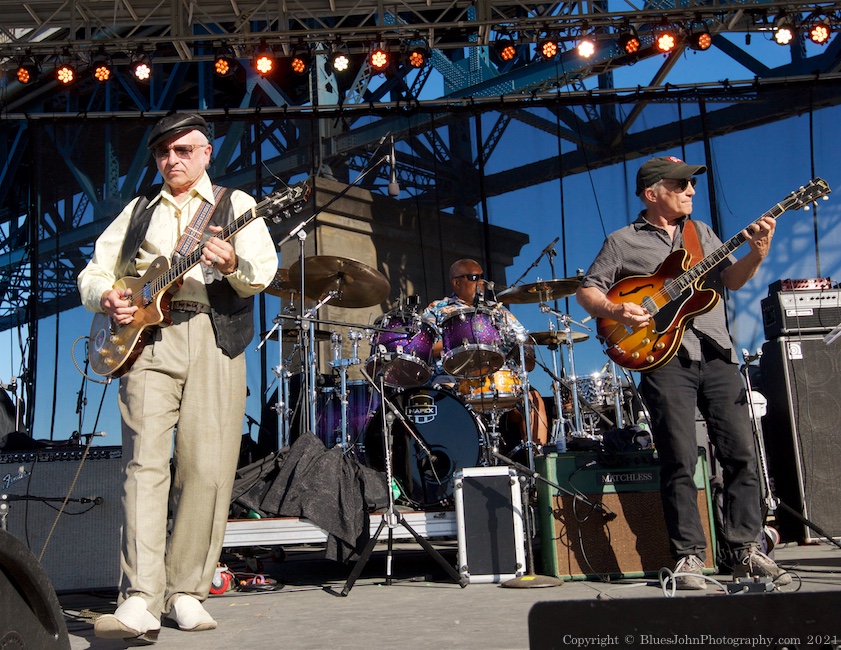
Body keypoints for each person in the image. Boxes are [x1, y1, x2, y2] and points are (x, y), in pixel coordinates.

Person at [78, 113, 278, 639]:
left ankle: (186, 589)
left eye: (184, 150)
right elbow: (95, 269)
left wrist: (232, 260)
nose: (173, 160)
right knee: (143, 464)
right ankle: (141, 596)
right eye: (164, 152)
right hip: (148, 341)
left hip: (214, 336)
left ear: (207, 153)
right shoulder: (140, 209)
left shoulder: (237, 206)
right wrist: (107, 296)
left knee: (207, 468)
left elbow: (262, 271)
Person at [575, 156, 790, 589]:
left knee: (741, 454)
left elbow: (731, 281)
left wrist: (757, 254)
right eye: (681, 184)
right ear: (652, 193)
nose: (691, 191)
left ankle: (746, 549)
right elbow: (587, 290)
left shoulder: (701, 233)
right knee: (679, 456)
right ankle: (688, 556)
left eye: (691, 185)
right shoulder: (622, 241)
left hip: (715, 351)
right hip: (662, 356)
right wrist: (618, 309)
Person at [423, 258, 548, 449]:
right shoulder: (438, 309)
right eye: (474, 277)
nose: (481, 282)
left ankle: (537, 460)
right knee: (443, 398)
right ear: (456, 282)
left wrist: (526, 351)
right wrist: (460, 340)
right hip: (452, 380)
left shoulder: (498, 311)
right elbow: (425, 348)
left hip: (499, 380)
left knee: (532, 399)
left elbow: (525, 347)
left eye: (482, 277)